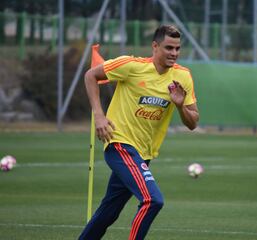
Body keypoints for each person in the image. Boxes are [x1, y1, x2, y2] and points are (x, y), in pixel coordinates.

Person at [79, 25, 199, 240]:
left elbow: (193, 123)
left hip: (143, 154)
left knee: (109, 212)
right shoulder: (131, 65)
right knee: (153, 200)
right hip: (119, 144)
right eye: (168, 48)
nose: (174, 53)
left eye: (177, 48)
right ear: (155, 46)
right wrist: (99, 115)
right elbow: (90, 76)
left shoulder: (183, 76)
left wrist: (180, 106)